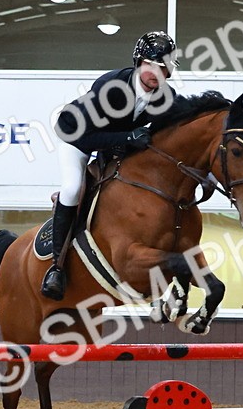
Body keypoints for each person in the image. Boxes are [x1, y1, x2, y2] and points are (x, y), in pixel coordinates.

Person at [40, 30, 179, 300]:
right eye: (153, 65)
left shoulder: (166, 97)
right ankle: (56, 268)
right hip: (78, 138)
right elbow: (90, 136)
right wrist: (127, 137)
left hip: (118, 146)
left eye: (164, 67)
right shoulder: (110, 87)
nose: (158, 72)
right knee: (72, 188)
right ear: (139, 62)